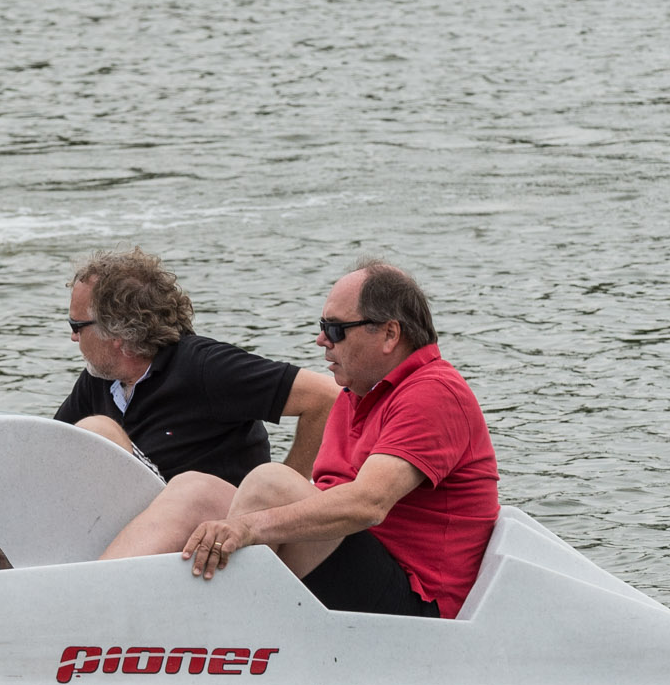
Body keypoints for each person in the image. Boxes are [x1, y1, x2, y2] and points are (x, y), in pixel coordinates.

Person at [93, 260, 500, 618]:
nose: (322, 340)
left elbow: (369, 504)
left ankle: (201, 639)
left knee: (270, 484)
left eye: (335, 329)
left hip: (418, 606)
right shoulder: (354, 394)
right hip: (359, 567)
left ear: (390, 334)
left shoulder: (434, 392)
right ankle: (90, 602)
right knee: (194, 488)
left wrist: (252, 526)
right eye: (323, 328)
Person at [50, 251, 341, 491]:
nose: (74, 338)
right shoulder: (98, 379)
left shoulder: (205, 367)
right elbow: (48, 448)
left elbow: (326, 398)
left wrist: (283, 492)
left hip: (204, 523)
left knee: (97, 431)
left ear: (116, 332)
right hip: (136, 520)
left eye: (76, 327)